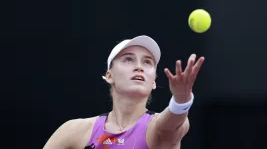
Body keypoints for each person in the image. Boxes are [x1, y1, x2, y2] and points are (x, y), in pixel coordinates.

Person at [43, 35, 205, 149]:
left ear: (154, 81)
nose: (139, 66)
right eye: (128, 59)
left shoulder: (158, 128)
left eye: (147, 62)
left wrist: (181, 100)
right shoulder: (75, 130)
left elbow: (171, 123)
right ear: (109, 75)